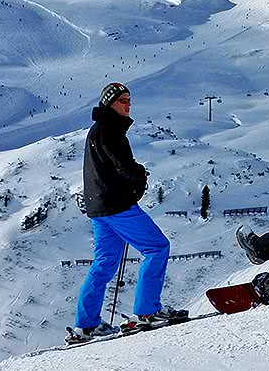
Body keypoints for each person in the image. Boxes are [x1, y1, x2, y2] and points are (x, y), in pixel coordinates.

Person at [71, 82, 183, 343]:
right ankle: (148, 311)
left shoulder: (97, 130)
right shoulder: (110, 130)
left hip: (99, 208)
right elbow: (121, 166)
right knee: (157, 247)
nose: (128, 104)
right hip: (117, 206)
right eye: (122, 100)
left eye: (129, 99)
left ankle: (86, 325)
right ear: (109, 103)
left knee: (104, 264)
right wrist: (139, 174)